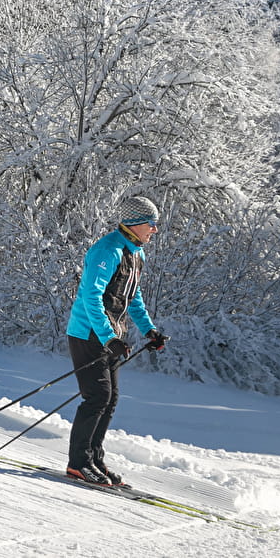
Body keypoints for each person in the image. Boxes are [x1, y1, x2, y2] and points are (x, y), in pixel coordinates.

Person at [64, 195, 169, 486]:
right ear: (135, 223)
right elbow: (90, 297)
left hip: (111, 336)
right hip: (88, 333)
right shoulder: (107, 251)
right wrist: (108, 337)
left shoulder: (135, 253)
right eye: (151, 224)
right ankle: (78, 463)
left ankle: (94, 458)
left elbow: (131, 296)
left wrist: (149, 330)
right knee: (96, 397)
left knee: (110, 400)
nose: (155, 230)